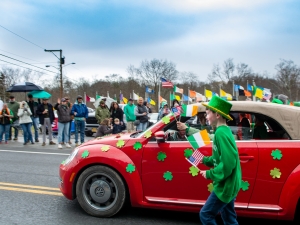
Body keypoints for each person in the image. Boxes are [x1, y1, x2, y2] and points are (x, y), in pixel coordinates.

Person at [178, 96, 241, 225]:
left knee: (205, 214)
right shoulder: (223, 131)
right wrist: (203, 159)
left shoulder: (221, 134)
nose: (206, 117)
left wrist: (209, 173)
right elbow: (219, 158)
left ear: (217, 114)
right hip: (229, 183)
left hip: (225, 185)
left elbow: (228, 163)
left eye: (207, 114)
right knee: (229, 218)